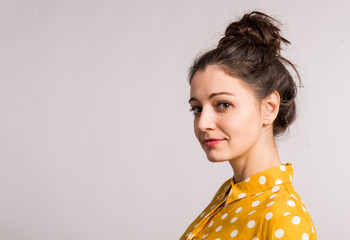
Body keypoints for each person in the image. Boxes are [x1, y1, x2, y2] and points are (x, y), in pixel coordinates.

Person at [180, 11, 317, 240]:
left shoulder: (283, 217)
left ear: (269, 108)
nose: (203, 123)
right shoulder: (230, 195)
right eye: (197, 108)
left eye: (223, 104)